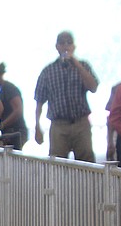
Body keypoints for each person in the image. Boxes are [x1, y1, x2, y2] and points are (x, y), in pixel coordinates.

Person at [33, 31, 99, 160]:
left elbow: (93, 87)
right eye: (62, 43)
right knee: (57, 164)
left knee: (86, 162)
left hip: (81, 123)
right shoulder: (48, 71)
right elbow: (39, 101)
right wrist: (37, 126)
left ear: (74, 46)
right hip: (58, 125)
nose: (66, 46)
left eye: (69, 43)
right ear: (57, 46)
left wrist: (76, 63)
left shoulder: (84, 66)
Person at [0, 61, 27, 149]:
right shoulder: (2, 90)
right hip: (8, 131)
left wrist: (1, 125)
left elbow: (18, 110)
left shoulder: (9, 89)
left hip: (16, 130)